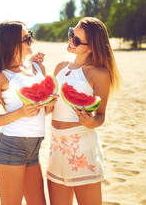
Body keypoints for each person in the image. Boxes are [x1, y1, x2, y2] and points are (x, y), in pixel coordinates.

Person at [45, 17, 121, 205]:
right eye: (72, 33)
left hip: (82, 148)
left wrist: (91, 122)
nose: (71, 40)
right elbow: (49, 108)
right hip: (56, 147)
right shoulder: (61, 67)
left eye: (77, 40)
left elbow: (100, 116)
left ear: (91, 47)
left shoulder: (99, 73)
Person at [0, 21, 57, 205]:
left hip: (34, 149)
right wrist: (20, 112)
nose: (32, 40)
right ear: (11, 44)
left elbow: (39, 113)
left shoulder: (38, 69)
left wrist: (49, 105)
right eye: (27, 38)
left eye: (30, 34)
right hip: (10, 148)